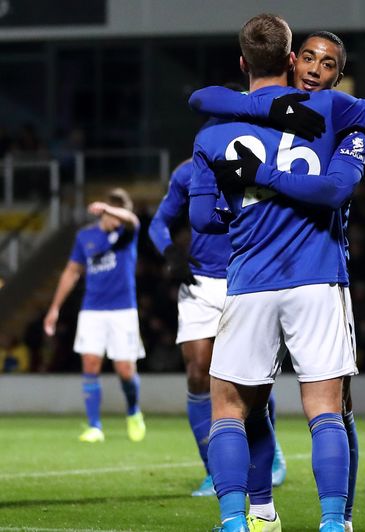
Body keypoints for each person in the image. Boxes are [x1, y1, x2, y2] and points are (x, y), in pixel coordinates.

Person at [187, 13, 365, 532]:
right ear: (290, 60)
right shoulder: (334, 112)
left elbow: (200, 219)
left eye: (328, 64)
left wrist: (245, 193)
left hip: (248, 281)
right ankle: (332, 522)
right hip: (318, 277)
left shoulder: (216, 133)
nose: (315, 69)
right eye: (308, 57)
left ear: (243, 63)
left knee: (231, 408)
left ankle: (240, 518)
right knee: (327, 408)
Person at [149, 155, 288, 497]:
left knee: (249, 380)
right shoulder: (188, 171)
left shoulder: (262, 158)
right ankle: (215, 472)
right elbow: (158, 224)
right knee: (199, 374)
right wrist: (170, 254)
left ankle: (269, 454)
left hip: (245, 279)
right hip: (198, 285)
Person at [43, 189, 147, 443]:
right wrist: (54, 308)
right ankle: (94, 426)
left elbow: (132, 220)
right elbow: (71, 272)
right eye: (113, 214)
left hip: (123, 309)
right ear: (103, 214)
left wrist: (112, 211)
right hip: (92, 309)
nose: (118, 220)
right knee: (90, 364)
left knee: (125, 369)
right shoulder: (85, 237)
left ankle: (133, 412)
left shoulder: (127, 232)